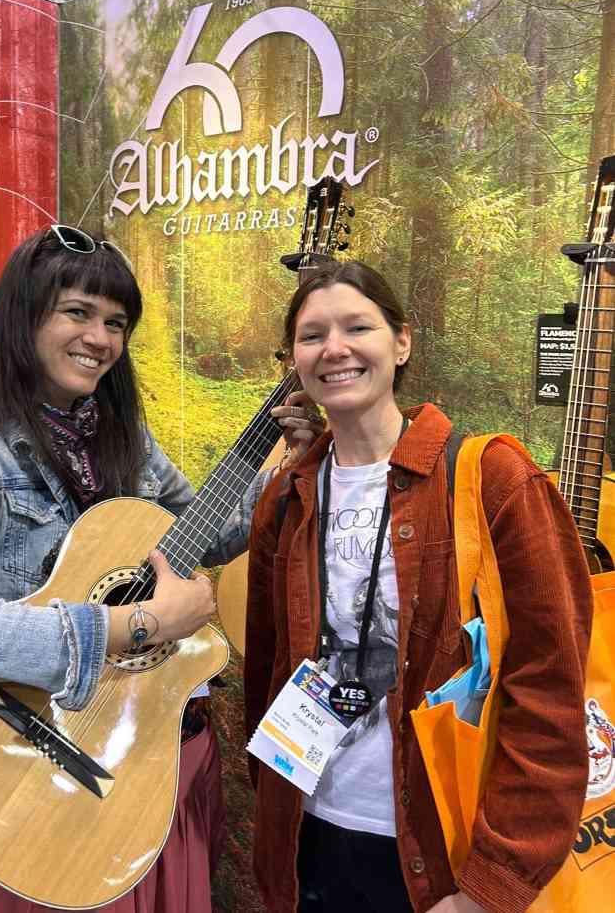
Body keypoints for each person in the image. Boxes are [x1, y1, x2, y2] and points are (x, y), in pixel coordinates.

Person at [0, 224, 318, 913]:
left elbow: (204, 529)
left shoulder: (121, 436)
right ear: (25, 316)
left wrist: (289, 465)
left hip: (159, 745)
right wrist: (145, 620)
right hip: (53, 765)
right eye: (78, 312)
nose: (99, 337)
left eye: (116, 322)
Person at [243, 259, 593, 913]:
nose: (335, 348)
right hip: (307, 839)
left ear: (401, 342)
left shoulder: (494, 479)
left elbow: (549, 693)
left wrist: (491, 884)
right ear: (294, 357)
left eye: (357, 326)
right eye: (313, 334)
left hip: (434, 859)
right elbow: (267, 669)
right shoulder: (286, 499)